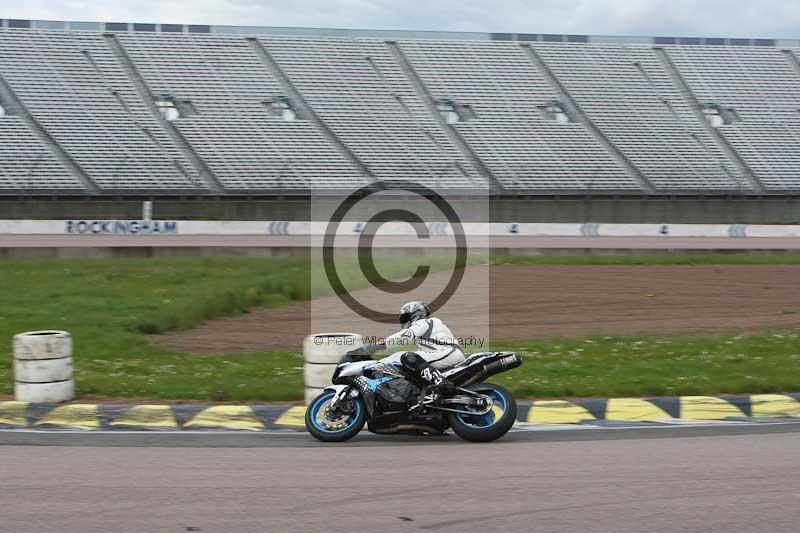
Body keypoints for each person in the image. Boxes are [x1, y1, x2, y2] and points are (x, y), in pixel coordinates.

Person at [376, 301, 466, 405]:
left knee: (408, 357)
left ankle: (441, 382)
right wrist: (380, 362)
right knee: (409, 359)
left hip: (448, 353)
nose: (404, 320)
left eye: (406, 317)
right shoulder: (426, 333)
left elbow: (406, 335)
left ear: (415, 314)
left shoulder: (425, 322)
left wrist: (383, 344)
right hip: (444, 354)